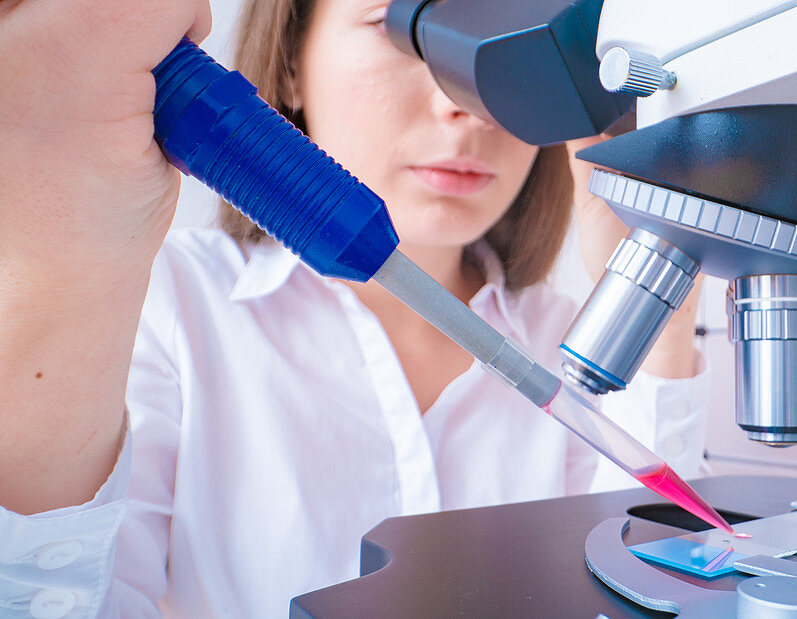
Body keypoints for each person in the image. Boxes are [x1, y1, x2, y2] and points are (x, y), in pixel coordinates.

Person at [0, 0, 707, 615]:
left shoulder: (573, 341)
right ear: (287, 66)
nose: (461, 103)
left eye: (505, 44)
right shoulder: (170, 306)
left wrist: (663, 294)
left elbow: (662, 585)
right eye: (405, 29)